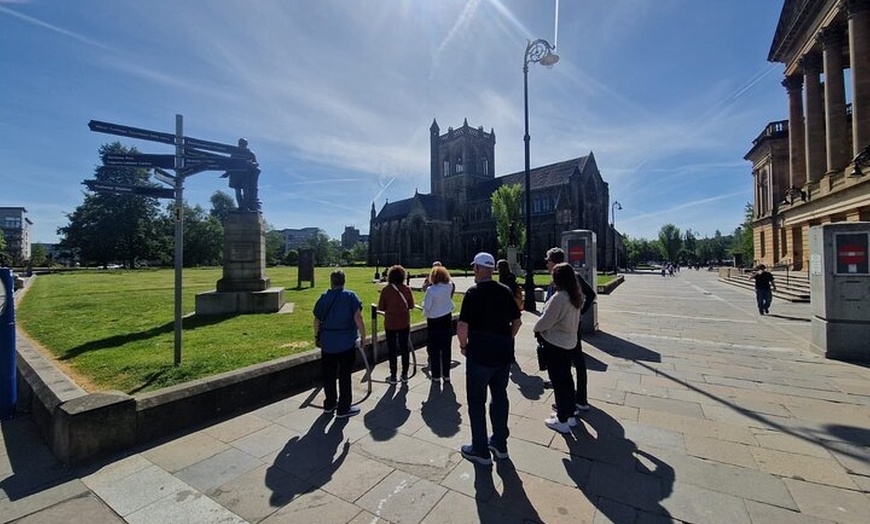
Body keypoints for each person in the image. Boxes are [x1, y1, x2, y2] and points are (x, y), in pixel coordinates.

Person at [457, 252, 522, 465]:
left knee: (476, 401)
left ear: (477, 269)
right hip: (503, 355)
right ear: (492, 269)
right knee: (500, 396)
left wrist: (463, 346)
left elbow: (462, 326)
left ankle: (480, 450)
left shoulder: (473, 293)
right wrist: (505, 338)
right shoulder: (504, 291)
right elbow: (517, 321)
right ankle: (500, 444)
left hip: (480, 356)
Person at [543, 247, 596, 410]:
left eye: (548, 261)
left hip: (570, 326)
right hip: (557, 328)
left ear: (554, 262)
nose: (546, 264)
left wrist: (580, 311)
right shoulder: (555, 279)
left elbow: (591, 295)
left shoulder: (573, 276)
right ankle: (565, 394)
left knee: (577, 361)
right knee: (563, 362)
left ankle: (579, 398)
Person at [534, 263, 583, 433]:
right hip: (569, 342)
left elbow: (546, 321)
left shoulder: (559, 298)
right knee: (567, 380)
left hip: (556, 344)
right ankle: (569, 416)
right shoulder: (575, 295)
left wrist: (536, 328)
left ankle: (561, 420)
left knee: (558, 381)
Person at [313, 270, 366, 418]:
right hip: (346, 342)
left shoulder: (323, 298)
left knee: (328, 375)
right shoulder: (350, 296)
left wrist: (317, 337)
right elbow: (358, 317)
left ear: (331, 281)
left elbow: (316, 320)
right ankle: (343, 408)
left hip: (328, 343)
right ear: (344, 281)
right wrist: (363, 335)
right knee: (344, 375)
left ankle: (329, 404)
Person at [378, 265, 415, 384]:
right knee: (404, 348)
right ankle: (404, 374)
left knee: (392, 350)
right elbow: (411, 305)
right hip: (404, 322)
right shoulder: (407, 289)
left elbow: (381, 307)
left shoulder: (386, 290)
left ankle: (393, 375)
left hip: (390, 323)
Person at [422, 264, 455, 383]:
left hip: (434, 321)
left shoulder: (431, 290)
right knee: (446, 349)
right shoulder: (449, 286)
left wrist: (423, 304)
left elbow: (427, 306)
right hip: (446, 319)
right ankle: (446, 375)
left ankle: (436, 375)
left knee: (434, 350)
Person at [220, 138, 261, 212]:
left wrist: (251, 163)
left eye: (243, 144)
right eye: (240, 143)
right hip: (236, 175)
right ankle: (241, 207)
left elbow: (256, 164)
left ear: (246, 144)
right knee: (237, 192)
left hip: (246, 175)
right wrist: (227, 173)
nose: (241, 145)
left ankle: (246, 207)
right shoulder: (234, 153)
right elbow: (230, 164)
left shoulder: (250, 153)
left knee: (246, 191)